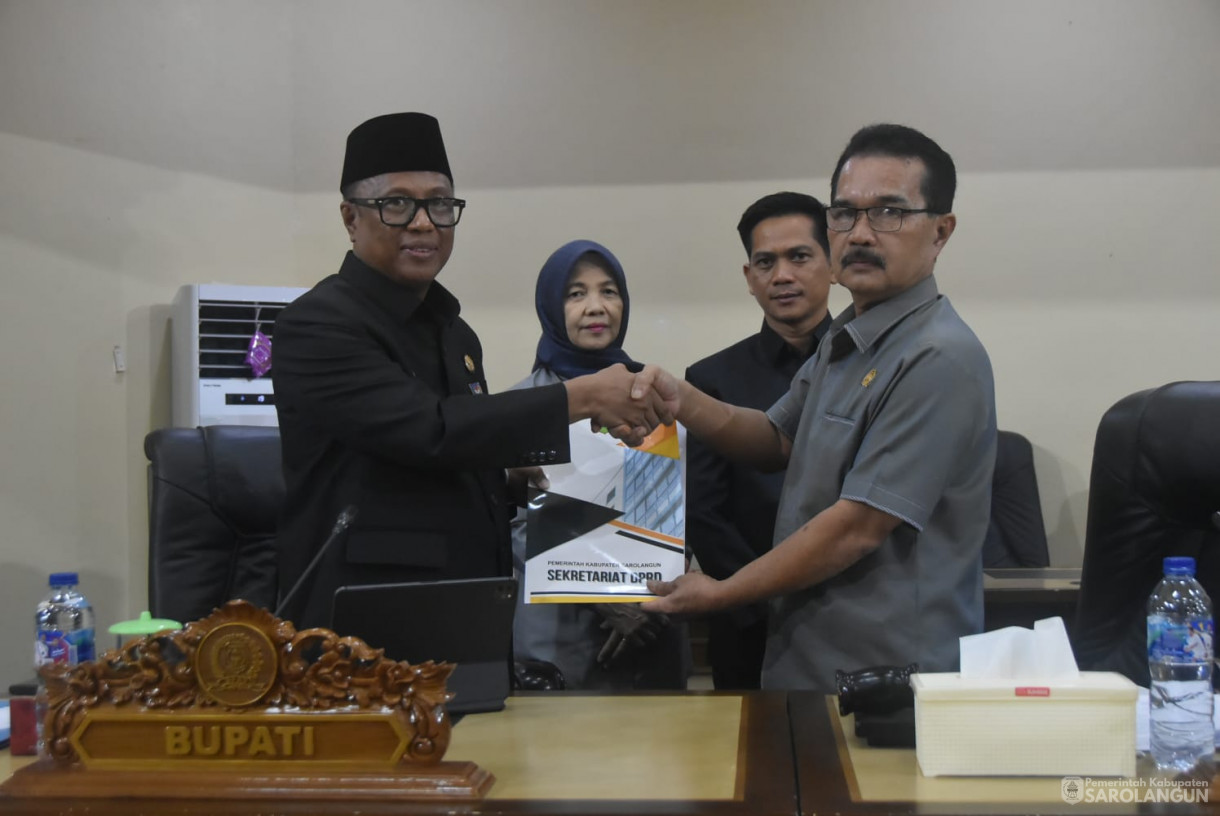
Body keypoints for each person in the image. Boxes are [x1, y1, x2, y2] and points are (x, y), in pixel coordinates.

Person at [271, 113, 669, 629]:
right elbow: (429, 430)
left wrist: (501, 478)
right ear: (350, 218)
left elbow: (442, 456)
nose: (423, 223)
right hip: (367, 619)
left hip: (469, 604)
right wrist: (583, 397)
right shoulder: (318, 323)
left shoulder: (455, 333)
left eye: (439, 203)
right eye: (396, 204)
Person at [643, 124, 997, 693]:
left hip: (888, 677)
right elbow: (774, 438)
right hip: (808, 658)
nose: (859, 234)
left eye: (889, 213)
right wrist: (678, 399)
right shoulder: (849, 335)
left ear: (941, 231)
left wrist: (723, 592)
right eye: (844, 213)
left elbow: (857, 526)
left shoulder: (939, 356)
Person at [510, 239, 688, 689]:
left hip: (651, 626)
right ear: (551, 306)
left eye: (609, 291)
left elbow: (678, 516)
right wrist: (604, 596)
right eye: (576, 294)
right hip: (555, 631)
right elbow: (508, 524)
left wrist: (659, 590)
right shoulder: (519, 405)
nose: (596, 307)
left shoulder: (655, 397)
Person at [684, 192, 834, 690]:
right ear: (749, 278)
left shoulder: (871, 368)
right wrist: (757, 602)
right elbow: (704, 512)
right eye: (766, 262)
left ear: (832, 263)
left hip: (847, 613)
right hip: (747, 624)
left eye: (800, 256)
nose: (782, 275)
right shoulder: (710, 380)